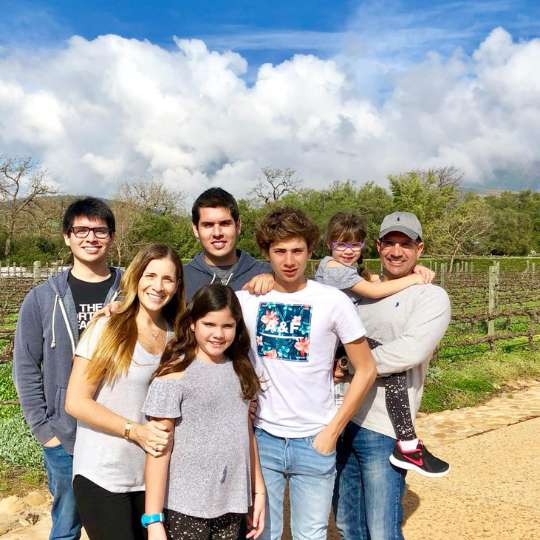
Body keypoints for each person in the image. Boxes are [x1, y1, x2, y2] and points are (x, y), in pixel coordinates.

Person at [236, 207, 377, 540]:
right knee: (262, 532)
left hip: (315, 438)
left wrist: (333, 430)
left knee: (310, 534)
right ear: (266, 253)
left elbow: (366, 369)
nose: (289, 260)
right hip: (262, 439)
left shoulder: (332, 301)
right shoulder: (245, 301)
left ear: (311, 251)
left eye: (297, 250)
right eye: (279, 251)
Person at [333, 211, 451, 540]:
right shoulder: (360, 290)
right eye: (389, 243)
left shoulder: (430, 296)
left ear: (420, 248)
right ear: (378, 245)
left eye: (405, 244)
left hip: (382, 428)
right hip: (340, 419)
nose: (396, 251)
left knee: (382, 530)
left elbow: (409, 351)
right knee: (347, 525)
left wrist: (347, 365)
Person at [13, 197, 122, 540]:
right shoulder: (42, 298)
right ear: (67, 237)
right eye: (81, 230)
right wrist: (46, 432)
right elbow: (26, 366)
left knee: (121, 523)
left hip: (119, 430)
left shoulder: (131, 291)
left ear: (112, 236)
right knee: (66, 525)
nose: (91, 237)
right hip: (66, 435)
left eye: (100, 230)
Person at [64, 243, 184, 540]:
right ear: (136, 277)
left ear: (178, 285)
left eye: (167, 279)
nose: (158, 286)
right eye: (150, 275)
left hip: (153, 479)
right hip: (104, 475)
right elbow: (76, 401)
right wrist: (135, 431)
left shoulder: (178, 335)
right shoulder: (109, 328)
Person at [142, 284, 265, 540]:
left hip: (232, 505)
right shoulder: (173, 376)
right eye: (209, 324)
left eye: (227, 326)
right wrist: (153, 519)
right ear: (193, 324)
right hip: (185, 509)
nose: (218, 334)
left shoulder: (241, 369)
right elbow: (158, 450)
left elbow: (245, 433)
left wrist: (258, 491)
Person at [184, 187, 272, 301]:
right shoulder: (180, 278)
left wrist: (278, 280)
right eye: (208, 225)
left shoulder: (269, 273)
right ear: (196, 229)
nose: (217, 233)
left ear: (238, 225)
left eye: (225, 223)